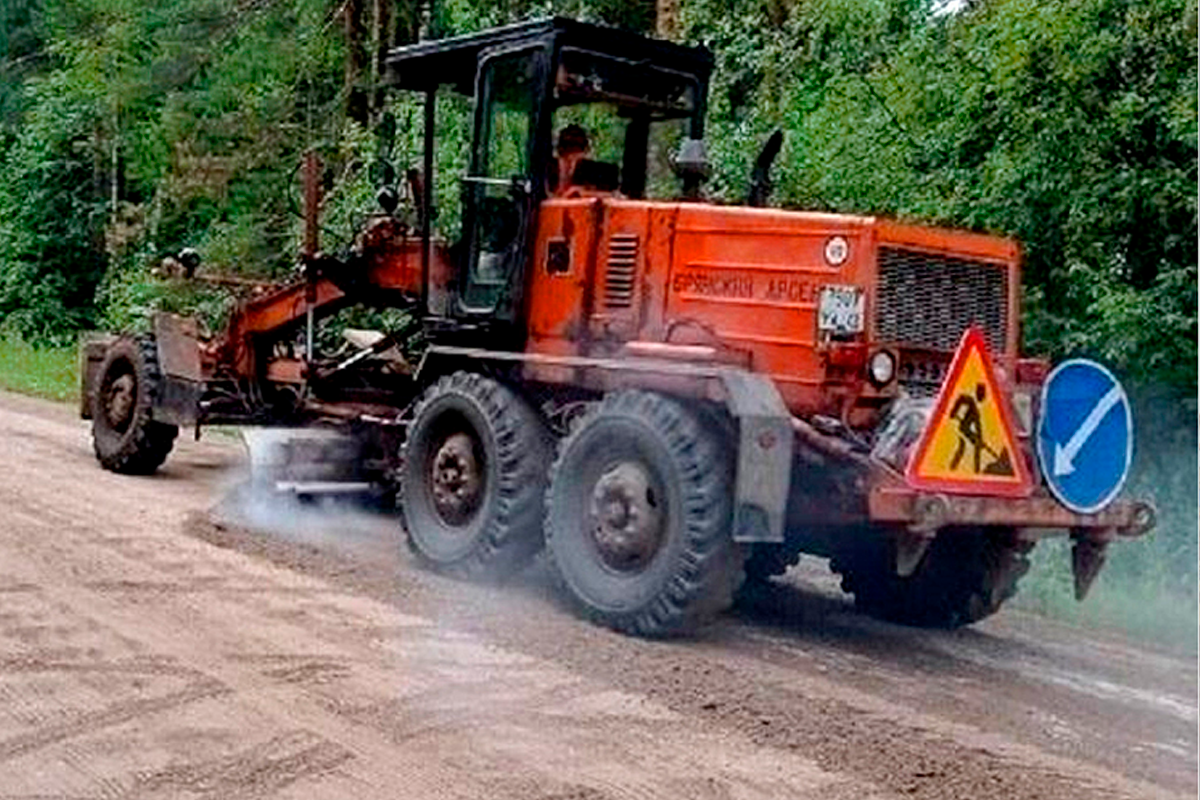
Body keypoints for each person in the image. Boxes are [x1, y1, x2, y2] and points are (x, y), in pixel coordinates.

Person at [551, 124, 591, 196]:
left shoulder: (592, 172)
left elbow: (612, 195)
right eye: (567, 145)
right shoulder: (549, 171)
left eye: (579, 146)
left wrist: (581, 192)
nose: (572, 154)